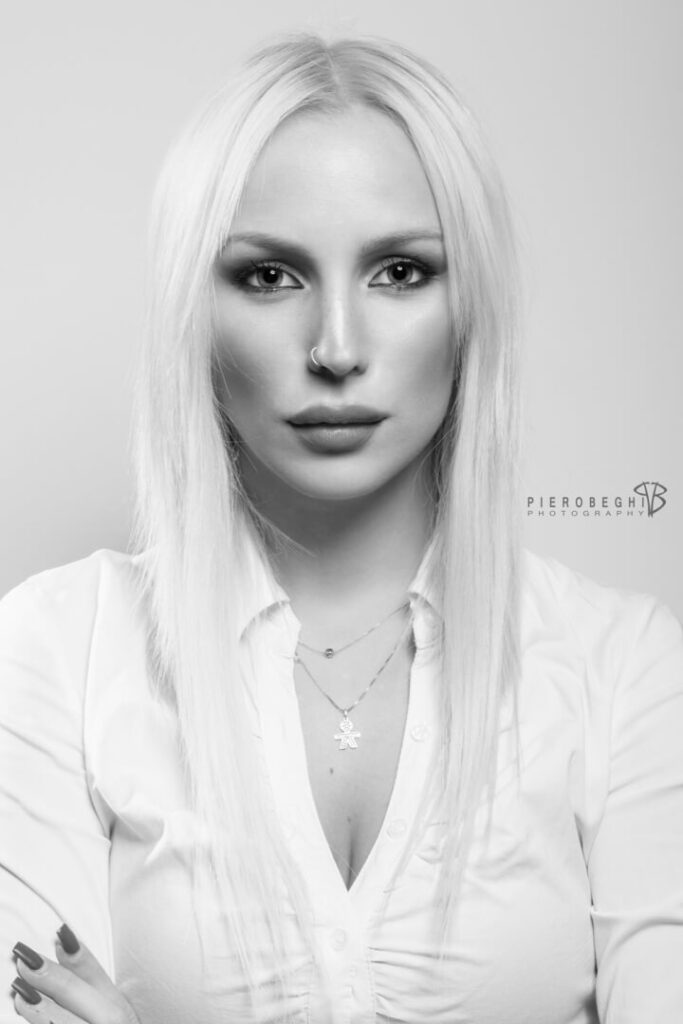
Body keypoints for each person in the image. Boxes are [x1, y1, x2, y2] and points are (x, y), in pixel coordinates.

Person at [2, 31, 682, 1024]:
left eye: (398, 272)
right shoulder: (55, 652)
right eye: (269, 276)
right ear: (195, 309)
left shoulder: (625, 671)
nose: (334, 347)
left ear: (470, 306)